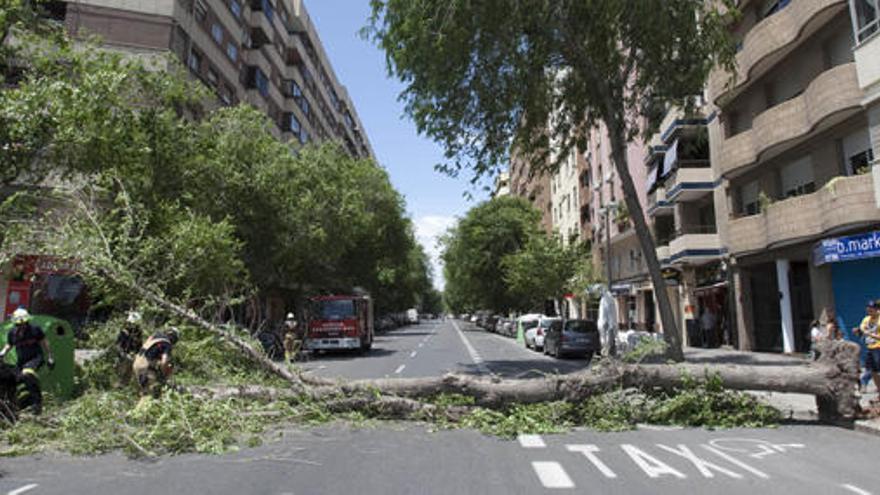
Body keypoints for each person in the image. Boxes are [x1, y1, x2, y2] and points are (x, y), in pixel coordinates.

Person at [0, 308, 54, 415]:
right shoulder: (12, 333)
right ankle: (11, 405)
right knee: (7, 377)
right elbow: (9, 345)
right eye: (18, 324)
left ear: (27, 321)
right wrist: (2, 353)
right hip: (21, 362)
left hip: (35, 359)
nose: (21, 326)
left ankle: (37, 403)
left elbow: (45, 343)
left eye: (23, 323)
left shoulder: (35, 330)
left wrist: (50, 357)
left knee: (27, 374)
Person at [132, 326, 178, 398]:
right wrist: (163, 374)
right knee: (150, 395)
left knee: (145, 390)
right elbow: (164, 361)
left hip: (136, 363)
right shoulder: (167, 344)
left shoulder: (155, 336)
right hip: (145, 367)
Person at [855, 301, 880, 398]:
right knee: (872, 370)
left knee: (876, 370)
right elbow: (861, 331)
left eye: (871, 308)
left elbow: (868, 333)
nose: (869, 310)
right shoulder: (866, 319)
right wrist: (858, 331)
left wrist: (869, 334)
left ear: (876, 309)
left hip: (879, 347)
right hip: (870, 348)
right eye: (868, 308)